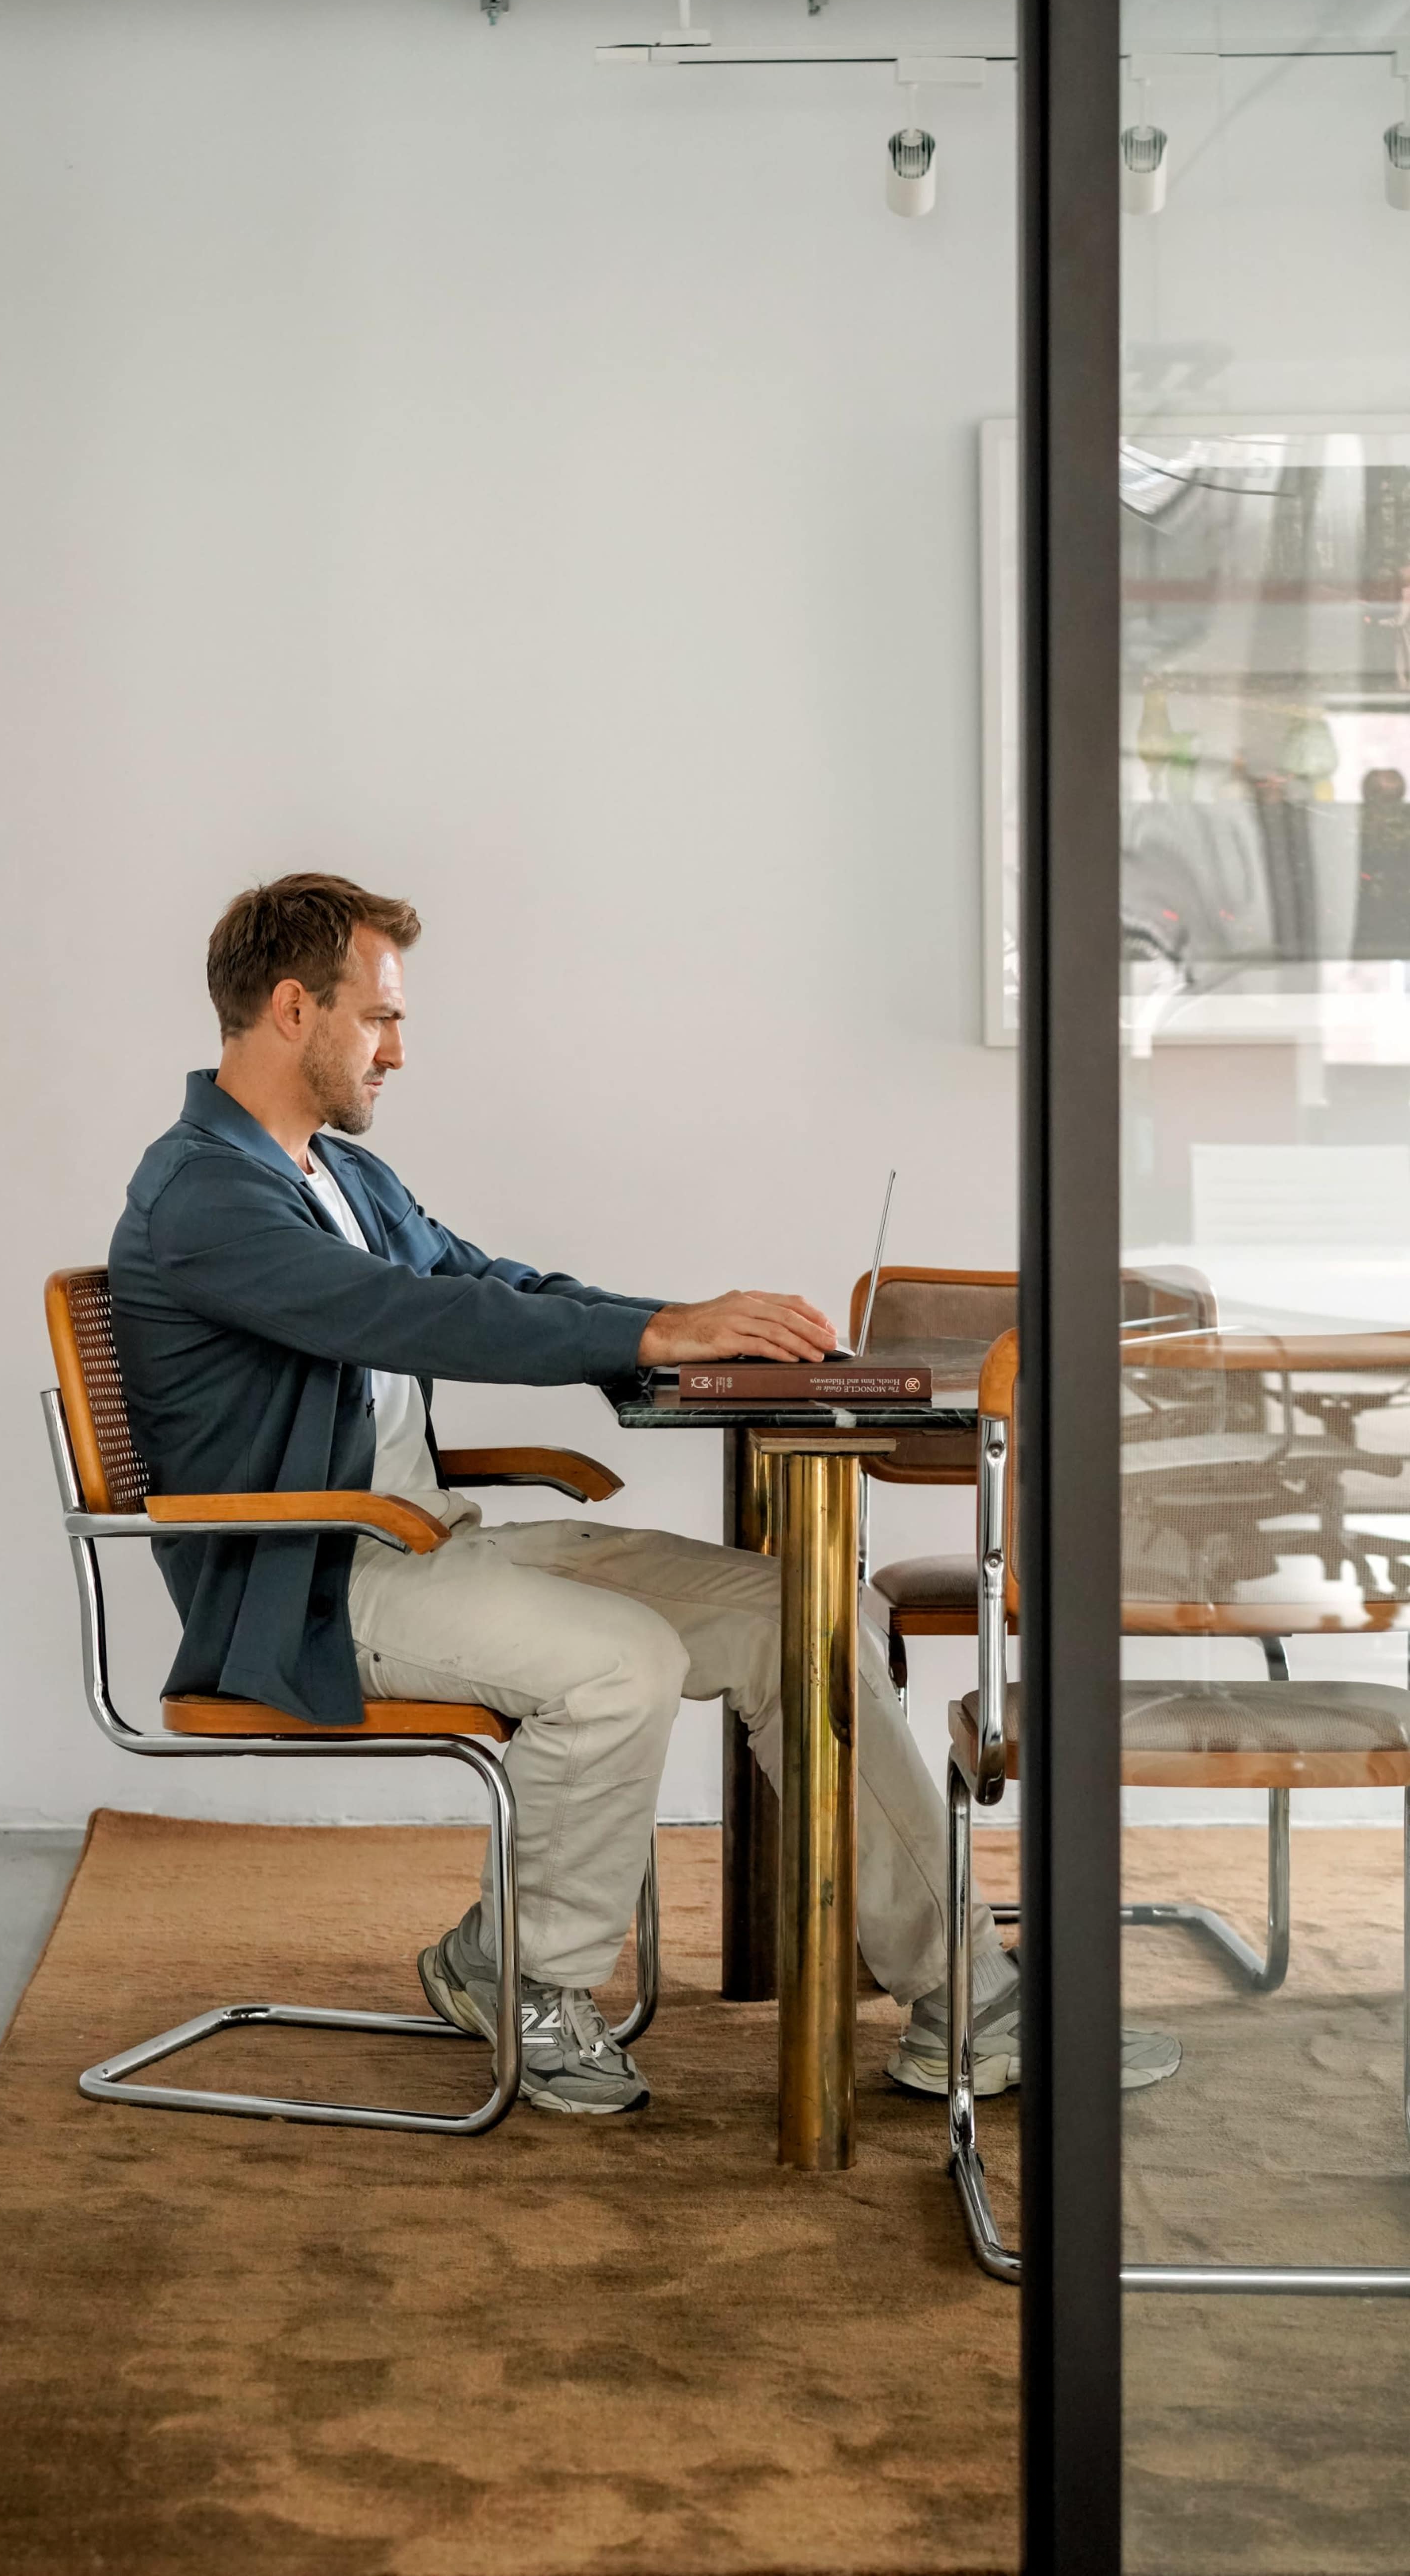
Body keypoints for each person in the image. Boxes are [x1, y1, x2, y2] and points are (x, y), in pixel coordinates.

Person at [110, 873, 1181, 2117]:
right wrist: (665, 1332)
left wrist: (683, 1328)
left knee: (797, 1612)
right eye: (379, 1017)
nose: (399, 1049)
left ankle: (964, 1995)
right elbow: (423, 1313)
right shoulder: (205, 1194)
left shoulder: (344, 1174)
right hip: (309, 1581)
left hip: (421, 1548)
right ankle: (521, 1975)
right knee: (621, 1660)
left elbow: (494, 1276)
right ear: (294, 1008)